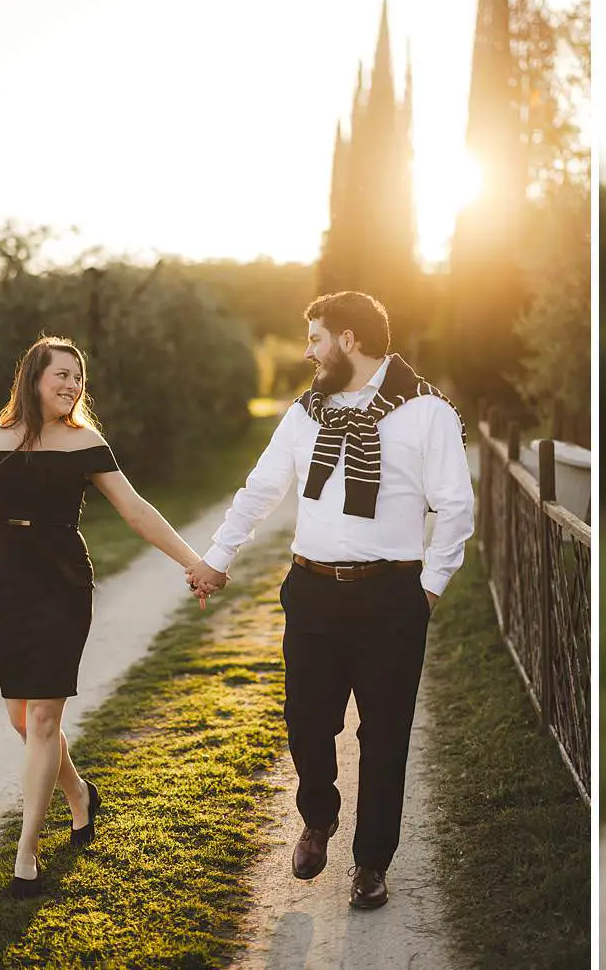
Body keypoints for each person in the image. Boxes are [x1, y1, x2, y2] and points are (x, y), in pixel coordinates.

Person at [185, 290, 474, 910]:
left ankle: (371, 863)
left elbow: (455, 509)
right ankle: (318, 817)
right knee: (307, 721)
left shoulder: (428, 413)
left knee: (386, 737)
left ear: (348, 339)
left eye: (316, 338)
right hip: (311, 591)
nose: (307, 350)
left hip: (392, 597)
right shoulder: (305, 414)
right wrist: (217, 558)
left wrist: (428, 590)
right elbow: (260, 490)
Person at [0, 335, 219, 898]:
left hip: (62, 588)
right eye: (61, 374)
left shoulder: (83, 442)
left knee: (44, 719)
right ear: (33, 377)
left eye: (77, 377)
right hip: (8, 589)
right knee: (22, 722)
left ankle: (26, 855)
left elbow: (135, 509)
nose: (71, 385)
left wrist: (195, 561)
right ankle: (79, 794)